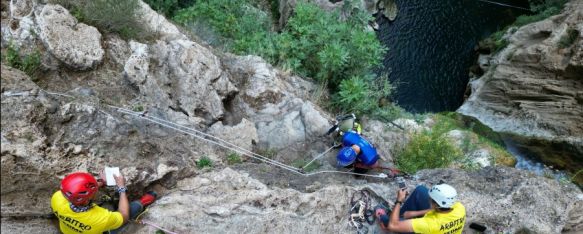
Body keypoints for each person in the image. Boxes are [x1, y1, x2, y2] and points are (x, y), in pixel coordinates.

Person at [51, 171, 157, 234]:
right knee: (132, 208)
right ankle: (143, 202)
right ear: (87, 200)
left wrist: (101, 182)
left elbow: (76, 190)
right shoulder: (99, 218)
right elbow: (124, 216)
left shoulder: (58, 198)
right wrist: (121, 188)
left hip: (68, 231)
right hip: (99, 229)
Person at [375, 183, 466, 234]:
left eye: (430, 199)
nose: (428, 199)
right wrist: (414, 214)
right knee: (420, 190)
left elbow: (393, 226)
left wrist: (399, 201)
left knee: (390, 223)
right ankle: (398, 216)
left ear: (435, 204)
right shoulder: (459, 207)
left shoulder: (428, 225)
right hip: (437, 227)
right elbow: (439, 209)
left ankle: (385, 221)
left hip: (430, 230)